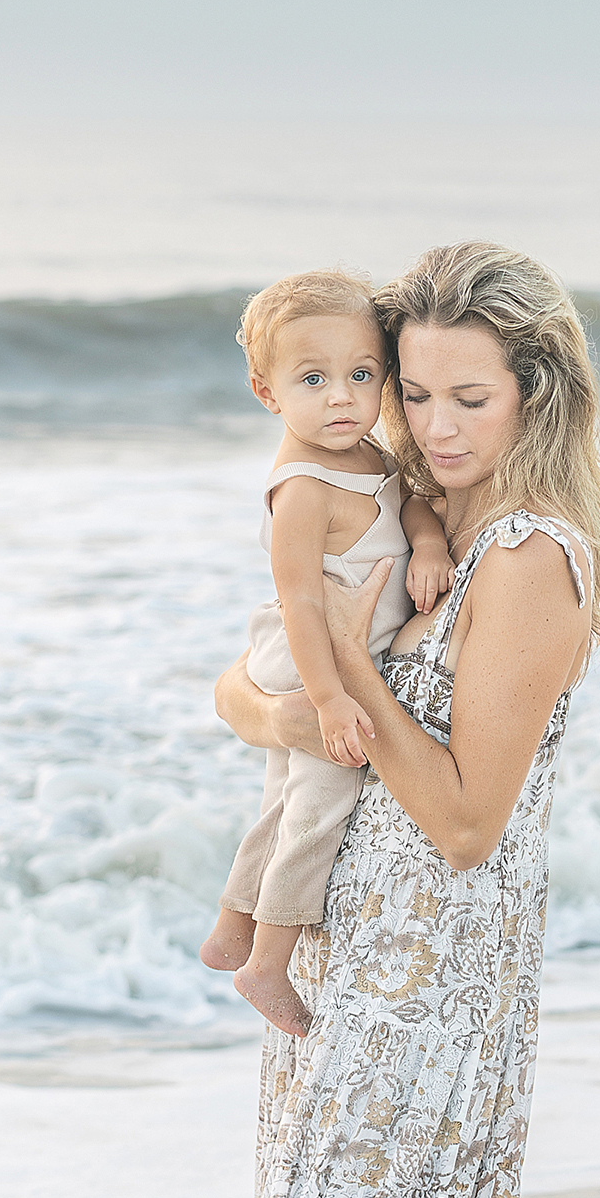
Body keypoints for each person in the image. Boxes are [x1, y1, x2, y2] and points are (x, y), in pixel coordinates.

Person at [187, 240, 600, 1198]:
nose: (431, 425)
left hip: (432, 1000)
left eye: (467, 398)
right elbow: (239, 688)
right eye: (413, 391)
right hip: (348, 981)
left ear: (535, 394)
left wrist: (343, 687)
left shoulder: (531, 561)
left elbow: (458, 817)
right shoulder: (401, 522)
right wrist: (293, 687)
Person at [200, 270, 453, 1037]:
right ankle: (267, 966)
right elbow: (303, 603)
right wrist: (334, 698)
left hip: (330, 657)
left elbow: (407, 501)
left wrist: (431, 542)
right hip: (311, 659)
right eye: (313, 379)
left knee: (281, 798)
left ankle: (232, 925)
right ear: (265, 391)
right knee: (320, 804)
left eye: (361, 375)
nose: (341, 397)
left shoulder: (366, 454)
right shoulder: (302, 489)